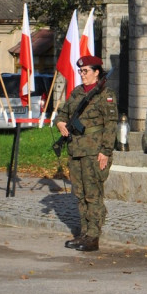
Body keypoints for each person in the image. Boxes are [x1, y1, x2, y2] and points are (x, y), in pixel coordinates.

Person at [55, 55, 118, 252]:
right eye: (80, 71)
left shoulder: (105, 95)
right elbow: (62, 114)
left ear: (96, 72)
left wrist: (105, 151)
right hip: (76, 150)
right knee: (80, 194)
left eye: (86, 71)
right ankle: (84, 232)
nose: (82, 75)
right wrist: (60, 123)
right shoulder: (76, 93)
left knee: (93, 194)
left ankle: (93, 236)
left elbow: (110, 126)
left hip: (94, 151)